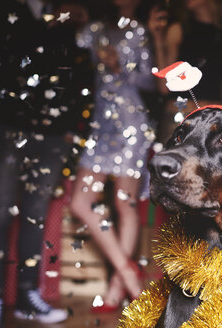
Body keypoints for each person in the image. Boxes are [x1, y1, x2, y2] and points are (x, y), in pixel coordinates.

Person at [0, 0, 92, 326]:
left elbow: (81, 74)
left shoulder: (68, 17)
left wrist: (70, 131)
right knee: (0, 210)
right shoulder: (8, 11)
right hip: (9, 125)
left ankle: (27, 296)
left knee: (34, 216)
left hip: (53, 134)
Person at [69, 0, 156, 312]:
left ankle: (116, 291)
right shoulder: (94, 30)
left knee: (124, 202)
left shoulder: (140, 31)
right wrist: (71, 17)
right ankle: (127, 269)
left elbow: (150, 80)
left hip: (131, 121)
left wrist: (123, 69)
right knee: (81, 201)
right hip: (101, 123)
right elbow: (71, 45)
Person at [148, 0, 222, 144]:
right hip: (180, 117)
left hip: (213, 121)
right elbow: (164, 86)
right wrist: (158, 40)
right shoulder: (178, 31)